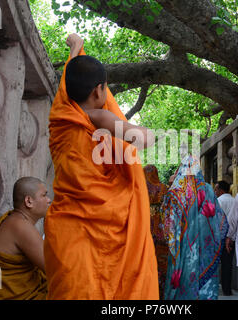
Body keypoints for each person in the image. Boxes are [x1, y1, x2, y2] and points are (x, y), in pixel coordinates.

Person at [44, 33, 159, 299]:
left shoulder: (61, 116)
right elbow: (144, 139)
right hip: (108, 232)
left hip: (67, 234)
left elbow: (66, 82)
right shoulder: (99, 116)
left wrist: (75, 48)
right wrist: (109, 119)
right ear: (98, 90)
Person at [0, 177, 51, 300]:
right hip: (3, 295)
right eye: (44, 195)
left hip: (0, 288)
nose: (49, 200)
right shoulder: (21, 226)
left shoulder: (13, 219)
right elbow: (53, 269)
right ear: (29, 201)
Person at [162, 155, 228, 300]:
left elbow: (167, 223)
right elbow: (221, 220)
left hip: (184, 247)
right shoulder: (209, 190)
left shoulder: (176, 193)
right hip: (206, 246)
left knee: (185, 278)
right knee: (205, 285)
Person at [143, 164, 169, 299]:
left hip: (144, 227)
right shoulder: (163, 188)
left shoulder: (141, 188)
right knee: (161, 261)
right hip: (161, 229)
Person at [214, 180, 235, 296]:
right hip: (232, 237)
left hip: (219, 237)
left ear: (221, 190)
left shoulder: (218, 201)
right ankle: (227, 290)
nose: (215, 192)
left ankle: (214, 288)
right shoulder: (235, 200)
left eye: (216, 189)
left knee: (215, 263)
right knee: (228, 264)